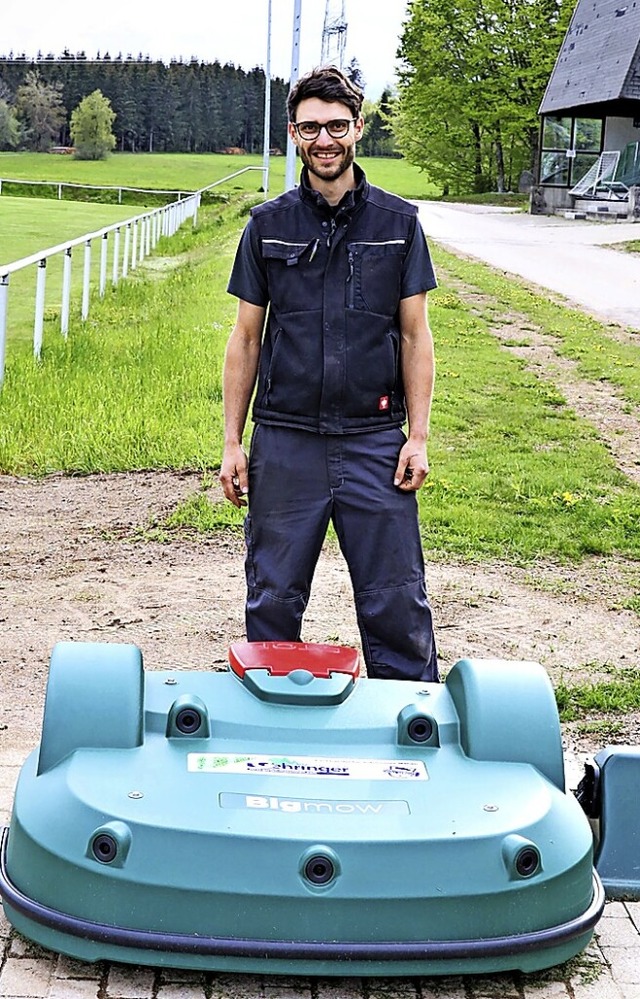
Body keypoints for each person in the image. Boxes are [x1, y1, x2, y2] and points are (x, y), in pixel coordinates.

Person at [219, 65, 438, 682]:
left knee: (396, 599)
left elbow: (417, 336)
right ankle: (269, 732)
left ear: (358, 129)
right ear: (293, 133)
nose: (325, 140)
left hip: (374, 442)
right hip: (286, 442)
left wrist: (416, 436)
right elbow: (245, 339)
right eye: (311, 127)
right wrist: (234, 443)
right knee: (274, 599)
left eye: (337, 126)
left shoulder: (399, 226)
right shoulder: (267, 227)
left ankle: (411, 736)